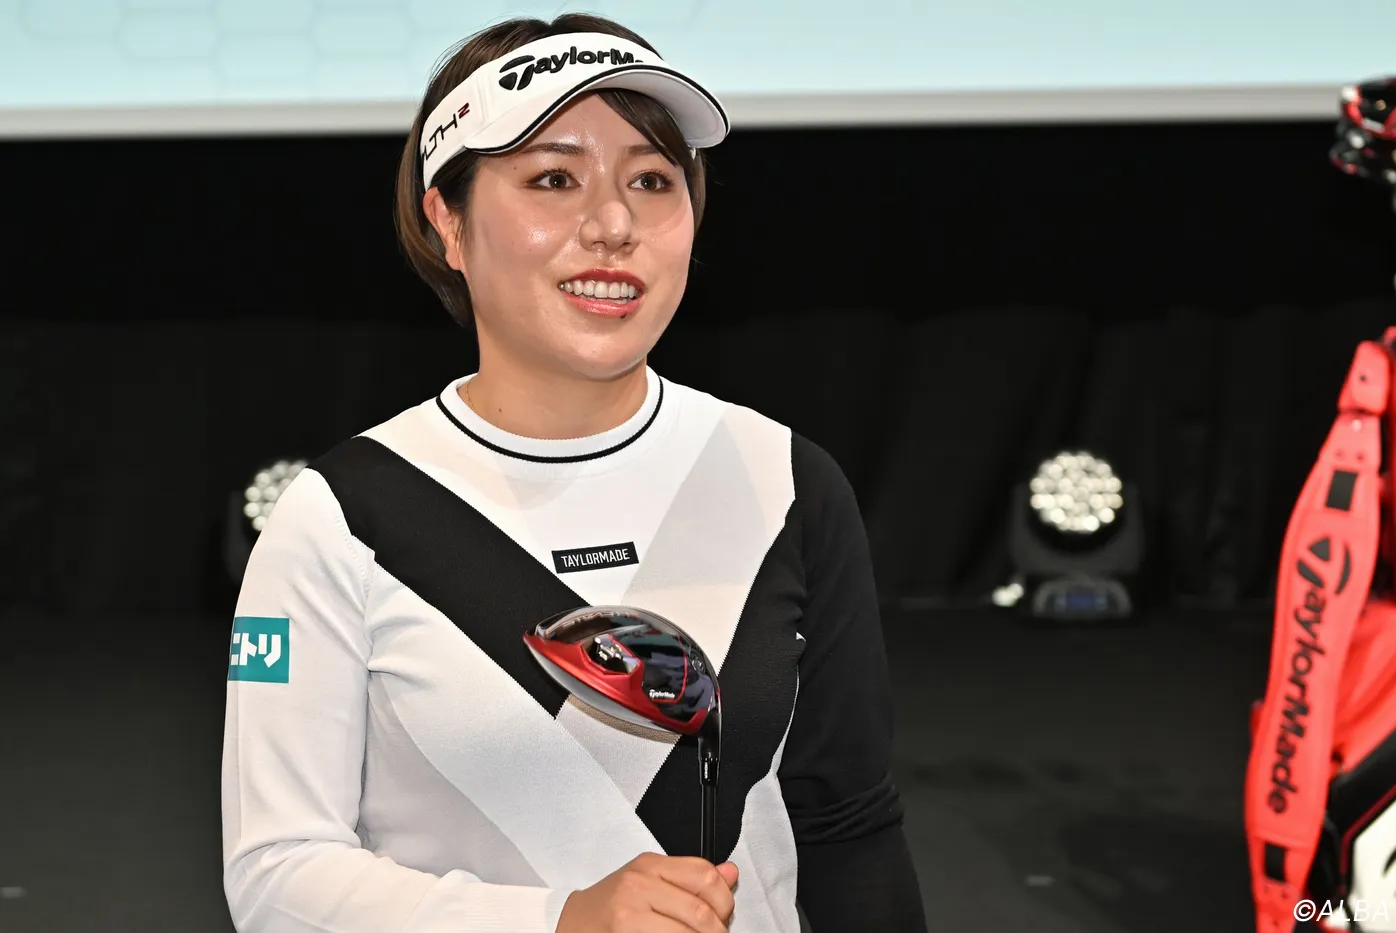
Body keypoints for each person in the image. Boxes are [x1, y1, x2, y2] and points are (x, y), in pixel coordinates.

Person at [221, 12, 928, 933]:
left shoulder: (785, 478)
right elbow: (276, 875)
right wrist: (559, 920)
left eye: (652, 180)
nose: (614, 225)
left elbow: (849, 828)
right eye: (553, 179)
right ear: (447, 220)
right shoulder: (341, 515)